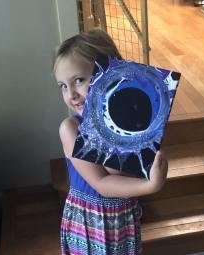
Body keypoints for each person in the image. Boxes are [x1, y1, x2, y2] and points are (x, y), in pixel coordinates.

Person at [53, 29, 168, 255]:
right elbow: (103, 182)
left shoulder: (132, 121)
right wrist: (151, 185)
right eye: (63, 86)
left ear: (109, 72)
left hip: (122, 218)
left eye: (78, 80)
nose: (71, 94)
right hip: (91, 223)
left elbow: (130, 171)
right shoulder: (71, 129)